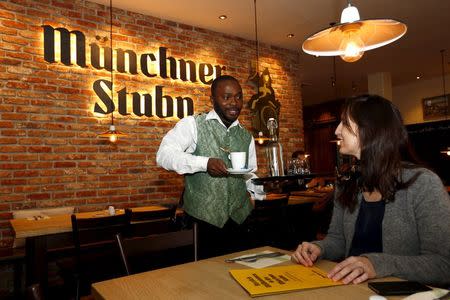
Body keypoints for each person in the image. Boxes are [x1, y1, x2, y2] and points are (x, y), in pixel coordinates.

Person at [291, 94, 450, 287]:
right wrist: (318, 248)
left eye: (344, 123)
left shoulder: (423, 183)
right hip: (350, 290)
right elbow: (338, 240)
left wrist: (375, 264)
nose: (337, 130)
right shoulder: (347, 181)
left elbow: (443, 264)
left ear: (371, 130)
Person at [156, 75, 258, 258]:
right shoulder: (193, 124)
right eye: (226, 97)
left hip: (241, 222)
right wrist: (204, 163)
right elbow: (164, 155)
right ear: (212, 100)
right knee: (203, 281)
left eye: (238, 96)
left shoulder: (247, 136)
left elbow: (250, 173)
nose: (234, 103)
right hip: (202, 223)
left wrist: (255, 193)